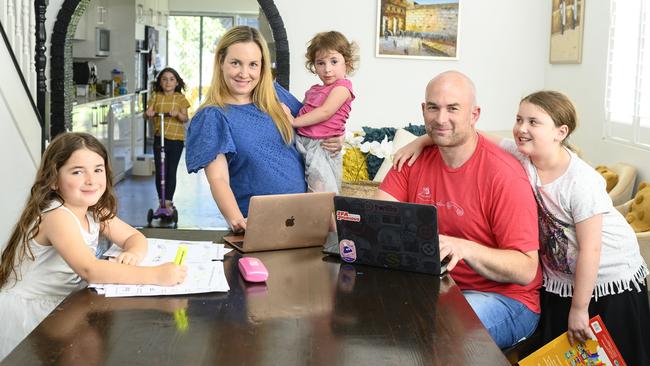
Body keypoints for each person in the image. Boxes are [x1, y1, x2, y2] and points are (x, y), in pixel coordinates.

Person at [375, 71, 542, 349]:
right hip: (436, 289)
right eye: (433, 107)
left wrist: (465, 248)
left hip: (506, 300)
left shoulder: (504, 175)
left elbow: (526, 269)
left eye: (453, 108)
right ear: (423, 110)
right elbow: (375, 218)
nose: (441, 119)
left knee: (438, 328)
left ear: (474, 115)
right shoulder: (411, 160)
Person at [185, 26, 341, 232]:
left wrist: (337, 138)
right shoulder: (213, 116)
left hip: (306, 217)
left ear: (262, 67)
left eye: (253, 65)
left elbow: (313, 127)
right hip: (260, 225)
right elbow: (218, 179)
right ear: (221, 62)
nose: (244, 73)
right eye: (235, 63)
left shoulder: (276, 96)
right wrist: (237, 220)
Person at [0, 132, 187, 298]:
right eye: (77, 172)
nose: (91, 180)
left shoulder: (94, 210)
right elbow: (90, 269)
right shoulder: (57, 216)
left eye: (98, 170)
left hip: (66, 301)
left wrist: (133, 253)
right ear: (54, 180)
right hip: (37, 308)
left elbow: (133, 236)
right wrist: (155, 275)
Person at [288, 31, 357, 193]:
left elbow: (325, 112)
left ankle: (328, 218)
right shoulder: (314, 90)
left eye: (334, 62)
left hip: (322, 145)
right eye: (320, 63)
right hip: (303, 141)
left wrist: (293, 121)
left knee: (323, 190)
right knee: (309, 187)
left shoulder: (342, 87)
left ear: (346, 63)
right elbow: (302, 110)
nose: (327, 69)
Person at [144, 67, 191, 210]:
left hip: (175, 140)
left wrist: (177, 113)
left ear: (177, 82)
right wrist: (148, 113)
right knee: (160, 170)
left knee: (171, 171)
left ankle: (169, 201)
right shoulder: (155, 96)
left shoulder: (180, 98)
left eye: (171, 79)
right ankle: (161, 201)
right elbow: (147, 114)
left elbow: (185, 118)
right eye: (164, 79)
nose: (168, 82)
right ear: (160, 82)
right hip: (160, 138)